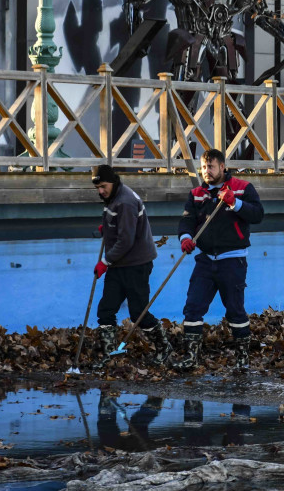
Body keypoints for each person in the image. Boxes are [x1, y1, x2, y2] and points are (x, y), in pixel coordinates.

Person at [172, 149, 264, 372]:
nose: (207, 171)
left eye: (211, 167)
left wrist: (235, 203)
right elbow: (186, 221)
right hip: (205, 260)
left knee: (235, 310)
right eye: (204, 167)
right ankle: (192, 357)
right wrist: (185, 238)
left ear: (222, 167)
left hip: (232, 260)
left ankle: (243, 359)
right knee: (193, 307)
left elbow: (258, 215)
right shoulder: (196, 193)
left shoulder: (242, 188)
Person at [90, 165, 170, 369]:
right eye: (97, 187)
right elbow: (119, 228)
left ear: (113, 182)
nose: (100, 191)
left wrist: (105, 262)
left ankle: (164, 347)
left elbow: (126, 240)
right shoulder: (112, 197)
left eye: (103, 186)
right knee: (106, 310)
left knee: (138, 313)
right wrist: (107, 228)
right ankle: (109, 354)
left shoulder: (125, 201)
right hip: (119, 264)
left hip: (136, 264)